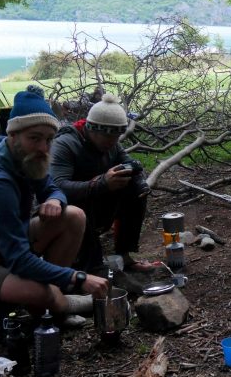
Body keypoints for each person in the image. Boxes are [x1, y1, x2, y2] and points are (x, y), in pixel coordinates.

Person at [0, 86, 109, 321]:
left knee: (73, 216)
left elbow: (51, 188)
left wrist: (55, 200)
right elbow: (19, 260)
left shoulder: (23, 157)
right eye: (34, 138)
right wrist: (79, 277)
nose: (43, 148)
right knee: (41, 292)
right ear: (13, 135)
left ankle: (52, 301)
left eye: (49, 139)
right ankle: (58, 305)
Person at [49, 93, 153, 272]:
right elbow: (57, 187)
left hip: (97, 202)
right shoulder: (66, 144)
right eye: (107, 138)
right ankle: (92, 265)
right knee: (79, 207)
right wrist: (101, 183)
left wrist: (135, 171)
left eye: (116, 137)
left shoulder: (110, 142)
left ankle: (124, 256)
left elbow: (126, 160)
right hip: (67, 211)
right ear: (92, 129)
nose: (112, 143)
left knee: (134, 190)